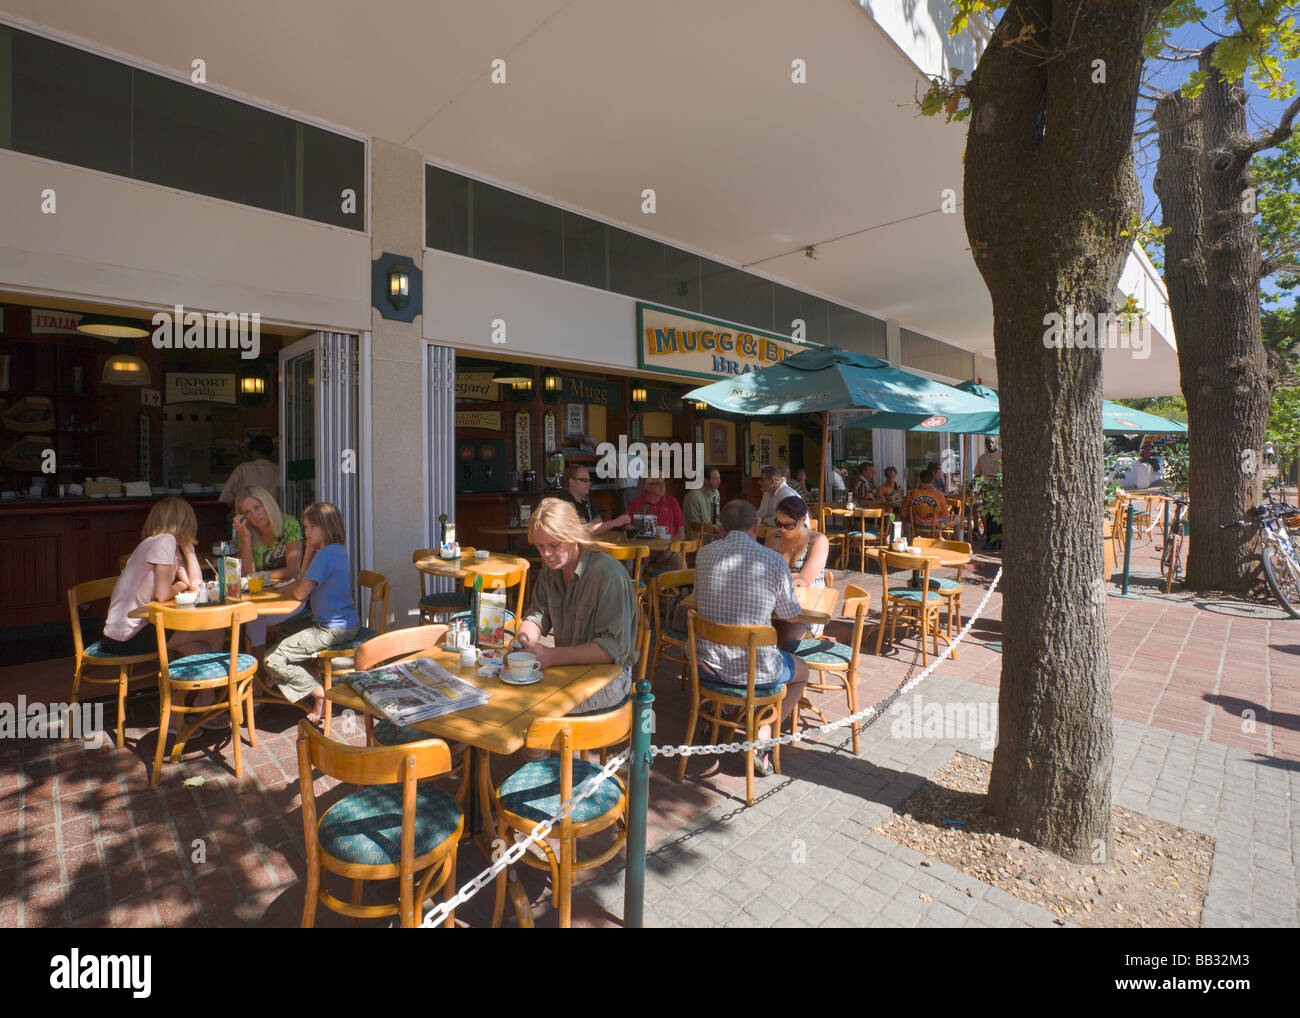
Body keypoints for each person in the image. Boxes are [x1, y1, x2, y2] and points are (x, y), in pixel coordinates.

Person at [693, 500, 809, 774]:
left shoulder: (703, 554)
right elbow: (791, 615)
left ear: (721, 528)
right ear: (756, 526)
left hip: (706, 667)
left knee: (711, 643)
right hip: (755, 670)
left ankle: (718, 714)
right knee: (802, 672)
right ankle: (763, 736)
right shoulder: (773, 560)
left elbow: (698, 599)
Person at [507, 498, 637, 715]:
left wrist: (551, 656)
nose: (546, 554)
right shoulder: (552, 569)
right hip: (567, 670)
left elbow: (612, 649)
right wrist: (523, 642)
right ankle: (542, 749)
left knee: (529, 710)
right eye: (540, 545)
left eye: (554, 545)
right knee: (511, 696)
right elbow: (538, 614)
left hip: (609, 678)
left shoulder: (608, 575)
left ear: (574, 536)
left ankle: (545, 749)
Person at [264, 502, 360, 724]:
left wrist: (310, 557)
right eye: (305, 527)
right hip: (343, 622)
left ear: (327, 527)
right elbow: (303, 579)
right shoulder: (334, 550)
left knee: (272, 658)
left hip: (332, 628)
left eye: (311, 527)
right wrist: (308, 550)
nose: (306, 532)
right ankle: (303, 674)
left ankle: (318, 692)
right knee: (284, 630)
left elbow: (300, 593)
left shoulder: (326, 555)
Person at [100, 497, 219, 659]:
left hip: (125, 633)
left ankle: (184, 684)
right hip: (127, 637)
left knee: (199, 648)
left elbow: (195, 585)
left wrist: (189, 549)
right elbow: (162, 595)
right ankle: (225, 683)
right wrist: (179, 586)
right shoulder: (164, 542)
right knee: (213, 630)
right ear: (186, 522)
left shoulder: (167, 546)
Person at [766, 494, 829, 636]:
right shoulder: (773, 539)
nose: (782, 529)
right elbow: (762, 573)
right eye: (779, 523)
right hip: (776, 605)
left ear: (803, 520)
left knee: (783, 639)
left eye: (788, 525)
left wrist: (773, 577)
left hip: (808, 609)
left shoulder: (818, 540)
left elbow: (803, 580)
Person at [233, 486, 302, 579]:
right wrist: (245, 538)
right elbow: (246, 574)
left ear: (268, 504)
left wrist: (258, 576)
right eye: (247, 512)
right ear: (243, 516)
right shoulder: (244, 532)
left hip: (289, 589)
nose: (255, 515)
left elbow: (293, 571)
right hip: (260, 590)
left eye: (257, 507)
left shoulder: (289, 524)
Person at [626, 473, 685, 568]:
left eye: (663, 483)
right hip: (642, 549)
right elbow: (628, 530)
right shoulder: (635, 504)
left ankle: (683, 583)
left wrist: (669, 551)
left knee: (678, 559)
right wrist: (640, 551)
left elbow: (681, 533)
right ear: (647, 487)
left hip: (667, 548)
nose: (662, 486)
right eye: (657, 484)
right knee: (628, 560)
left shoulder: (672, 502)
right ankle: (637, 583)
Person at [557, 462, 630, 536]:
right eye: (585, 480)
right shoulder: (565, 501)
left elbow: (598, 525)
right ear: (572, 482)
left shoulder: (587, 500)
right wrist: (614, 523)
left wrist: (595, 527)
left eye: (589, 480)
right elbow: (585, 530)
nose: (589, 483)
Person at [219, 434, 280, 505]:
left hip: (249, 512)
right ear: (271, 452)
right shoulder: (279, 470)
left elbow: (226, 496)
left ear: (254, 452)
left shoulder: (243, 469)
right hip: (273, 513)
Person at [900, 469, 949, 534]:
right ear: (932, 481)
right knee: (958, 519)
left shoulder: (911, 494)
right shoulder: (939, 495)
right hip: (934, 525)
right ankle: (958, 542)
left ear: (919, 479)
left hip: (917, 524)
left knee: (904, 520)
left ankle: (909, 541)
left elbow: (903, 513)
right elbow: (945, 514)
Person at [976, 437, 1003, 549]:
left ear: (996, 443)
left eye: (992, 442)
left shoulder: (1002, 455)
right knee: (990, 515)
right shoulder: (982, 458)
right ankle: (991, 540)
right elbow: (978, 473)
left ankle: (1001, 540)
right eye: (987, 443)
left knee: (1000, 515)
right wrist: (973, 481)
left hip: (1000, 488)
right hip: (988, 488)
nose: (990, 445)